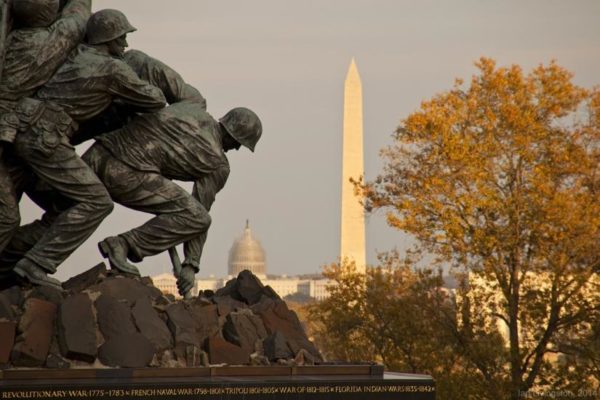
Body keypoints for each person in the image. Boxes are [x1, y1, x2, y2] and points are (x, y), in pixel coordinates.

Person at [0, 9, 166, 289]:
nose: (125, 43)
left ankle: (8, 262)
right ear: (109, 38)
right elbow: (155, 99)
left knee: (63, 206)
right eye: (122, 37)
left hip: (24, 128)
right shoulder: (112, 68)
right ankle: (35, 264)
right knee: (97, 203)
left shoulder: (73, 55)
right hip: (46, 137)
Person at [82, 51, 261, 295]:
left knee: (60, 211)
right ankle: (123, 244)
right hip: (123, 175)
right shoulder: (218, 164)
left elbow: (149, 66)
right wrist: (191, 264)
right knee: (197, 218)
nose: (238, 149)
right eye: (241, 144)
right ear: (237, 139)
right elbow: (199, 214)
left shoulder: (192, 101)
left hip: (97, 153)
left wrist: (118, 57)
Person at [0, 0, 92, 287]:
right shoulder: (46, 43)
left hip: (16, 139)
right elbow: (77, 15)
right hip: (15, 135)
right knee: (6, 218)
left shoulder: (9, 38)